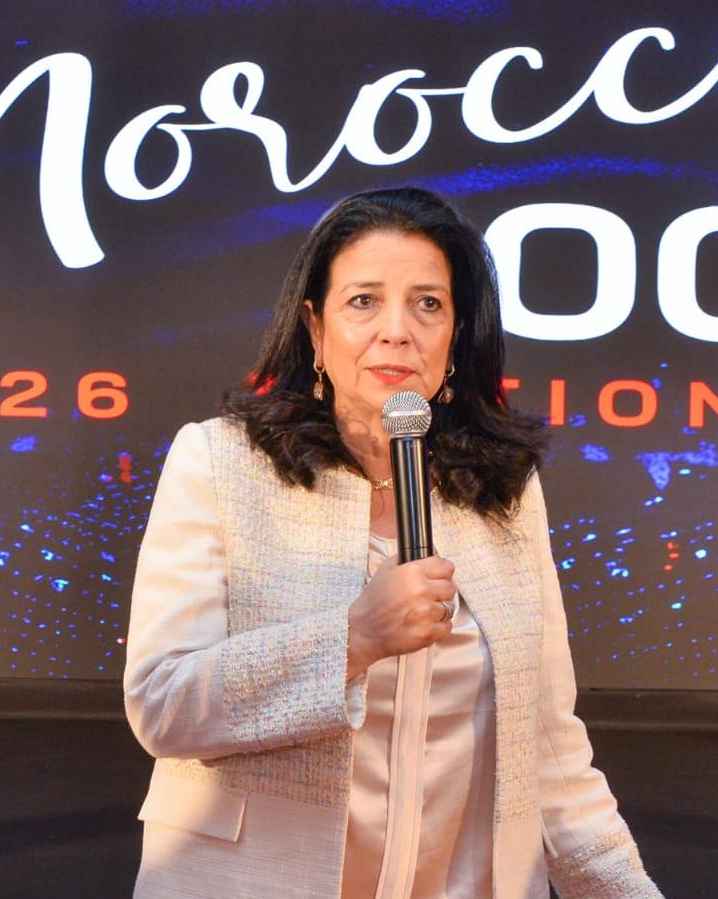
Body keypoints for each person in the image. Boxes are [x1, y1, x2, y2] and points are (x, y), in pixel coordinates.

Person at [123, 187, 662, 898]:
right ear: (315, 327)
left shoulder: (502, 487)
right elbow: (163, 703)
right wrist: (353, 639)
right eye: (364, 301)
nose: (397, 330)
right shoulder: (222, 463)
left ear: (456, 333)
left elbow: (552, 754)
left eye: (427, 303)